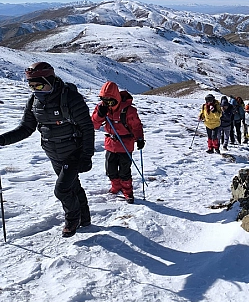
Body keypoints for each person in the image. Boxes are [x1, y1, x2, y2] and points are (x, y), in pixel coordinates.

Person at [0, 62, 94, 237]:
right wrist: (3, 139)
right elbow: (26, 128)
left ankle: (72, 219)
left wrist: (86, 156)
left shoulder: (71, 99)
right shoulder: (34, 102)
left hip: (73, 152)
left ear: (50, 80)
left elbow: (87, 128)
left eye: (39, 84)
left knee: (62, 190)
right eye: (31, 85)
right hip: (53, 153)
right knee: (73, 185)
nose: (35, 89)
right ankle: (85, 219)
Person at [91, 81, 144, 204]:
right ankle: (116, 187)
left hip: (125, 145)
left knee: (125, 171)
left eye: (110, 101)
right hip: (110, 144)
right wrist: (99, 115)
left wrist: (139, 138)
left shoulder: (129, 110)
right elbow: (94, 124)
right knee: (110, 169)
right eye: (105, 100)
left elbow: (136, 126)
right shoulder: (102, 108)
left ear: (117, 98)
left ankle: (127, 191)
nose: (108, 104)